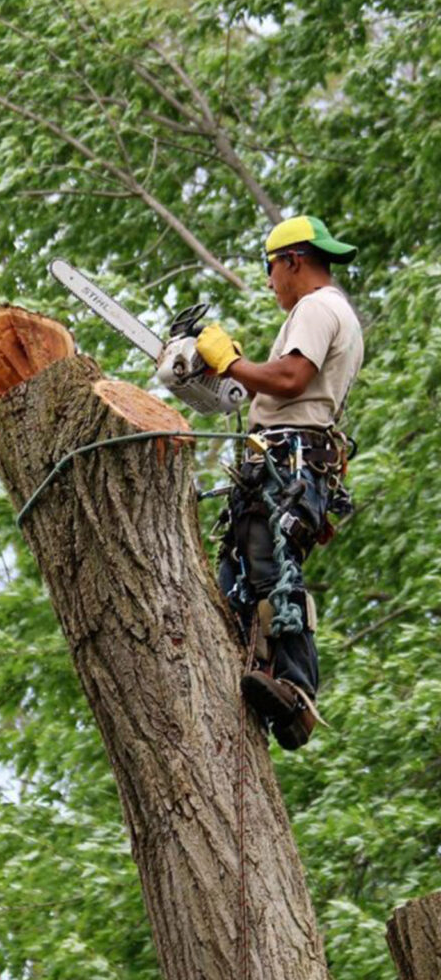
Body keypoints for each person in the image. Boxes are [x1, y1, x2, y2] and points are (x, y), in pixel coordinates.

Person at [195, 215, 363, 750]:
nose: (270, 283)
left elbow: (291, 378)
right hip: (281, 458)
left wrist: (234, 364)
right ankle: (254, 667)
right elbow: (283, 385)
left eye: (271, 270)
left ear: (292, 260)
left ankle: (296, 693)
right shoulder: (333, 311)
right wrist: (233, 375)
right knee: (238, 575)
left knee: (270, 566)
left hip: (291, 459)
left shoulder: (316, 307)